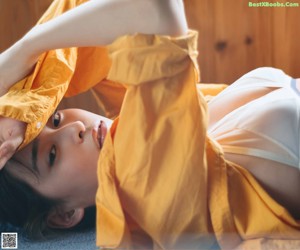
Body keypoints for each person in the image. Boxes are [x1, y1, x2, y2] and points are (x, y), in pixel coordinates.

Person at [0, 0, 300, 249]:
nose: (73, 128)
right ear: (65, 215)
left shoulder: (137, 121)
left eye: (54, 117)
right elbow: (153, 8)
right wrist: (25, 51)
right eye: (52, 155)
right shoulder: (148, 183)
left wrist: (27, 106)